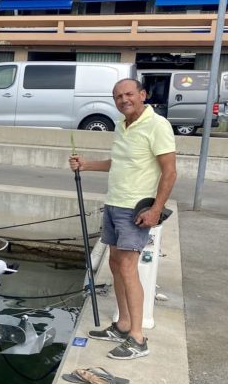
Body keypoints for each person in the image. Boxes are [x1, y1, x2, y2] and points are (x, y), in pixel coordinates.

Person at [69, 78, 177, 361]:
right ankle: (123, 325)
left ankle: (138, 339)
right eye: (118, 96)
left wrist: (155, 209)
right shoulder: (122, 125)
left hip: (136, 209)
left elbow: (169, 171)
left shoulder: (157, 125)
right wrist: (87, 165)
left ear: (142, 95)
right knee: (116, 264)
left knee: (128, 266)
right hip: (114, 204)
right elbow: (119, 161)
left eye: (129, 94)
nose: (123, 99)